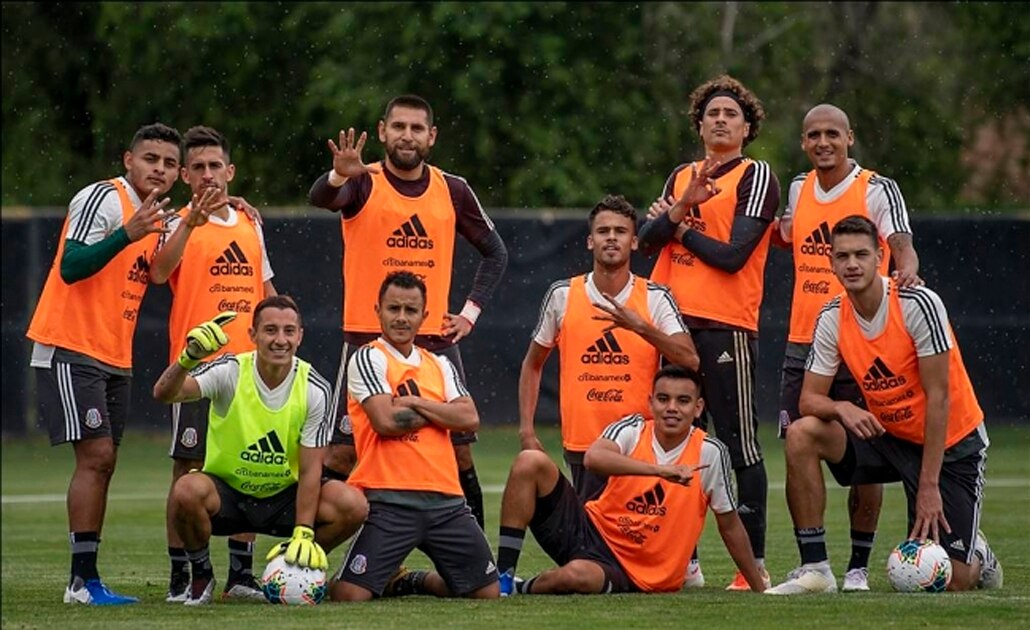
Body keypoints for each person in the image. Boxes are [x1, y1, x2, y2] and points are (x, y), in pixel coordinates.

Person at [765, 215, 1002, 595]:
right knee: (802, 433)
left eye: (861, 254)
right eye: (842, 256)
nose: (852, 264)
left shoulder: (918, 304)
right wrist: (842, 409)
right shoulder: (831, 316)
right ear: (831, 263)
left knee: (955, 581)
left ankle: (979, 552)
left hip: (951, 445)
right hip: (889, 436)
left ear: (881, 257)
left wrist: (928, 486)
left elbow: (939, 398)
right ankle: (816, 569)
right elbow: (809, 399)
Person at [309, 94, 508, 530]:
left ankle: (474, 557)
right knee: (343, 451)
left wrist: (469, 313)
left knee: (457, 450)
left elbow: (495, 252)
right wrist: (337, 173)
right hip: (366, 338)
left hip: (433, 342)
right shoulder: (363, 181)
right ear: (382, 132)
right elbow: (322, 197)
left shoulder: (451, 189)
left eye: (417, 128)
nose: (407, 136)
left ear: (431, 137)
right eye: (399, 127)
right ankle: (306, 550)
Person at [26, 122, 182, 605]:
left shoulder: (160, 215)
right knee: (96, 458)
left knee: (106, 462)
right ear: (127, 160)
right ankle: (80, 582)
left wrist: (195, 219)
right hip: (71, 344)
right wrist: (126, 234)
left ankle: (87, 579)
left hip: (115, 354)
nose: (159, 168)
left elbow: (157, 273)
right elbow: (71, 267)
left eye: (169, 163)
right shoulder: (104, 197)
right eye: (150, 158)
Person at [772, 103, 922, 592]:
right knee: (801, 444)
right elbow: (785, 234)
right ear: (802, 141)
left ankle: (858, 567)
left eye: (832, 133)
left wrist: (907, 268)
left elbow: (901, 242)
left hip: (858, 338)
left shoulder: (876, 188)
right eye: (813, 134)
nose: (823, 142)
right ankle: (814, 565)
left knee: (865, 453)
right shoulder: (797, 188)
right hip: (803, 340)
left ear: (849, 138)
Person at [638, 75, 778, 589]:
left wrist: (678, 226)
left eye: (731, 114)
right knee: (673, 441)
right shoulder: (681, 174)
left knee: (738, 444)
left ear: (747, 127)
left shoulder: (756, 174)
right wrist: (675, 217)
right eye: (712, 113)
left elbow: (734, 255)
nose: (721, 119)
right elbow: (645, 240)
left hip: (727, 325)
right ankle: (685, 562)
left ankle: (752, 566)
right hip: (671, 324)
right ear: (699, 125)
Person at [153, 295, 368, 605]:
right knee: (186, 489)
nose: (280, 340)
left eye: (288, 331)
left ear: (300, 336)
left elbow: (310, 471)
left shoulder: (314, 387)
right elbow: (164, 393)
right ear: (252, 335)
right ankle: (201, 573)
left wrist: (304, 532)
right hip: (228, 496)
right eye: (270, 330)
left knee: (353, 504)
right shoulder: (229, 371)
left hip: (283, 499)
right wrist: (188, 358)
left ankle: (291, 567)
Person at [496, 364, 765, 595]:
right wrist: (660, 471)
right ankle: (504, 578)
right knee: (529, 461)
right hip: (589, 531)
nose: (671, 408)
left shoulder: (711, 452)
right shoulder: (633, 428)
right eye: (663, 399)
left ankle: (523, 587)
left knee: (574, 576)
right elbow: (594, 458)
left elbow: (729, 525)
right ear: (651, 402)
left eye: (682, 401)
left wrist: (758, 588)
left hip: (636, 571)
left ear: (698, 408)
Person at [149, 126, 277, 602]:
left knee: (250, 470)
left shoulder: (250, 222)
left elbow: (267, 295)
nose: (207, 175)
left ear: (230, 171)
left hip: (250, 370)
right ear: (184, 175)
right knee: (187, 469)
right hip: (199, 372)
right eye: (197, 168)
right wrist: (191, 223)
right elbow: (160, 272)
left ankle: (240, 575)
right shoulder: (176, 222)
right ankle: (182, 573)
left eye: (214, 166)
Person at [328, 271, 499, 602]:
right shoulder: (367, 357)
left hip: (447, 502)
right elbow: (386, 421)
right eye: (394, 309)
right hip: (388, 501)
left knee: (486, 593)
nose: (402, 318)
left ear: (425, 315)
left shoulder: (440, 364)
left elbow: (470, 418)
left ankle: (409, 581)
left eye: (410, 310)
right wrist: (439, 412)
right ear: (378, 310)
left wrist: (415, 402)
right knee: (349, 596)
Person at [519, 194, 698, 503]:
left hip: (639, 443)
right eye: (603, 231)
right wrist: (527, 431)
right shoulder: (563, 295)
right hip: (582, 443)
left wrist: (640, 327)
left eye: (621, 231)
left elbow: (689, 360)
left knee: (645, 535)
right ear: (590, 241)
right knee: (591, 541)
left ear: (634, 242)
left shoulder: (655, 297)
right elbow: (533, 363)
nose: (611, 238)